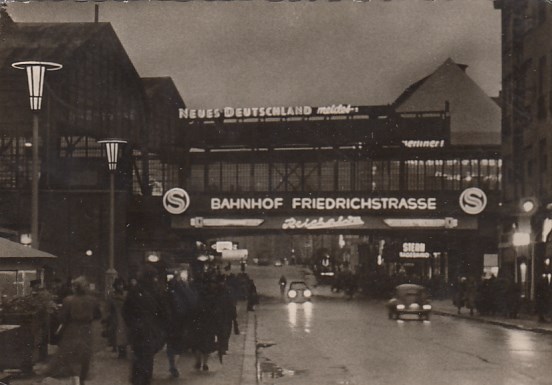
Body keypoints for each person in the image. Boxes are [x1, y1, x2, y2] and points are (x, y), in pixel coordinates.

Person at [38, 276, 101, 385]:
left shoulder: (68, 300)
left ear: (74, 288)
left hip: (72, 330)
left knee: (72, 356)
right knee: (84, 356)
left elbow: (62, 318)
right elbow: (98, 315)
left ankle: (75, 381)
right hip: (87, 330)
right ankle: (82, 380)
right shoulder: (93, 300)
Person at [123, 265, 169, 385]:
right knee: (148, 357)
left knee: (138, 355)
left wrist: (132, 324)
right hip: (151, 329)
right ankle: (145, 379)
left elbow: (126, 311)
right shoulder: (158, 291)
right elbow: (164, 312)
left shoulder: (134, 291)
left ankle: (137, 379)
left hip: (137, 329)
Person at [166, 270, 197, 378]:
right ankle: (174, 365)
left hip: (171, 322)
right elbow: (193, 302)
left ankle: (172, 364)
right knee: (178, 345)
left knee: (171, 344)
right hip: (182, 321)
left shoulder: (169, 291)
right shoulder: (185, 290)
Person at [189, 275, 221, 371]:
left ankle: (199, 361)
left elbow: (194, 310)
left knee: (198, 344)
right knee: (206, 345)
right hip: (208, 324)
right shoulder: (214, 297)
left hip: (200, 324)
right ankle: (204, 363)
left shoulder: (198, 297)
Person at [106, 277, 129, 358]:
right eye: (119, 285)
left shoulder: (126, 294)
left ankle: (124, 351)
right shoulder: (112, 295)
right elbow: (109, 307)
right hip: (116, 316)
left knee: (124, 334)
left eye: (121, 285)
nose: (120, 286)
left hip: (125, 316)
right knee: (118, 334)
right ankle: (120, 351)